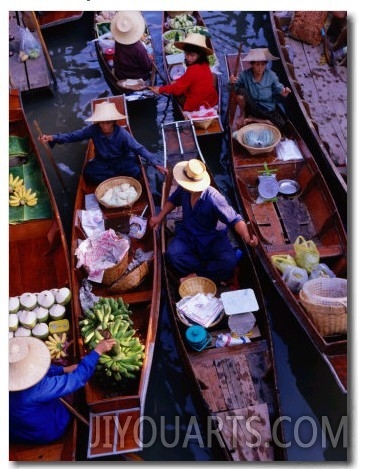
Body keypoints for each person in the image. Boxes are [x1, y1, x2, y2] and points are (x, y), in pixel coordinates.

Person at [149, 159, 258, 284]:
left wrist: (247, 237)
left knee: (229, 262)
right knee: (172, 255)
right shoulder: (184, 189)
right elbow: (172, 201)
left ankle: (196, 275)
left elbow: (235, 220)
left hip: (211, 239)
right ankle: (208, 272)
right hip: (188, 235)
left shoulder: (214, 198)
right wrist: (159, 217)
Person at [9, 336, 116, 444]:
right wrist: (97, 351)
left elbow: (40, 371)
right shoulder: (37, 390)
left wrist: (64, 369)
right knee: (66, 409)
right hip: (46, 430)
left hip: (17, 430)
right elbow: (77, 379)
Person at [39, 101, 168, 185]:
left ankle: (112, 180)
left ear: (113, 122)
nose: (104, 126)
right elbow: (74, 136)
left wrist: (156, 164)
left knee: (136, 171)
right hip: (102, 162)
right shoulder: (93, 130)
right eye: (101, 122)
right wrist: (53, 137)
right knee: (88, 173)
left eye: (107, 122)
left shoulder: (122, 134)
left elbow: (139, 149)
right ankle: (116, 180)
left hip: (121, 161)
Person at [149, 33, 218, 112]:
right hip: (211, 100)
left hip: (196, 105)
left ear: (199, 55)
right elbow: (189, 79)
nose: (188, 58)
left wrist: (160, 90)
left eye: (192, 55)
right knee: (213, 76)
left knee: (174, 86)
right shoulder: (205, 64)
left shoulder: (193, 69)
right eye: (187, 54)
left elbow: (177, 88)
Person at [229, 47, 291, 129]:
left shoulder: (271, 75)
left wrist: (284, 92)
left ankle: (253, 119)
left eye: (263, 65)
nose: (260, 68)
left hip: (267, 109)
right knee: (240, 91)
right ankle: (243, 114)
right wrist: (231, 81)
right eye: (257, 65)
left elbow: (279, 88)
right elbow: (232, 87)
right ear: (252, 65)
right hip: (251, 106)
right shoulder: (245, 75)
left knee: (282, 124)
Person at [110, 11, 153, 82]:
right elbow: (147, 67)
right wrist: (150, 60)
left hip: (120, 74)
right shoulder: (139, 48)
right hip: (137, 78)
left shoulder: (118, 41)